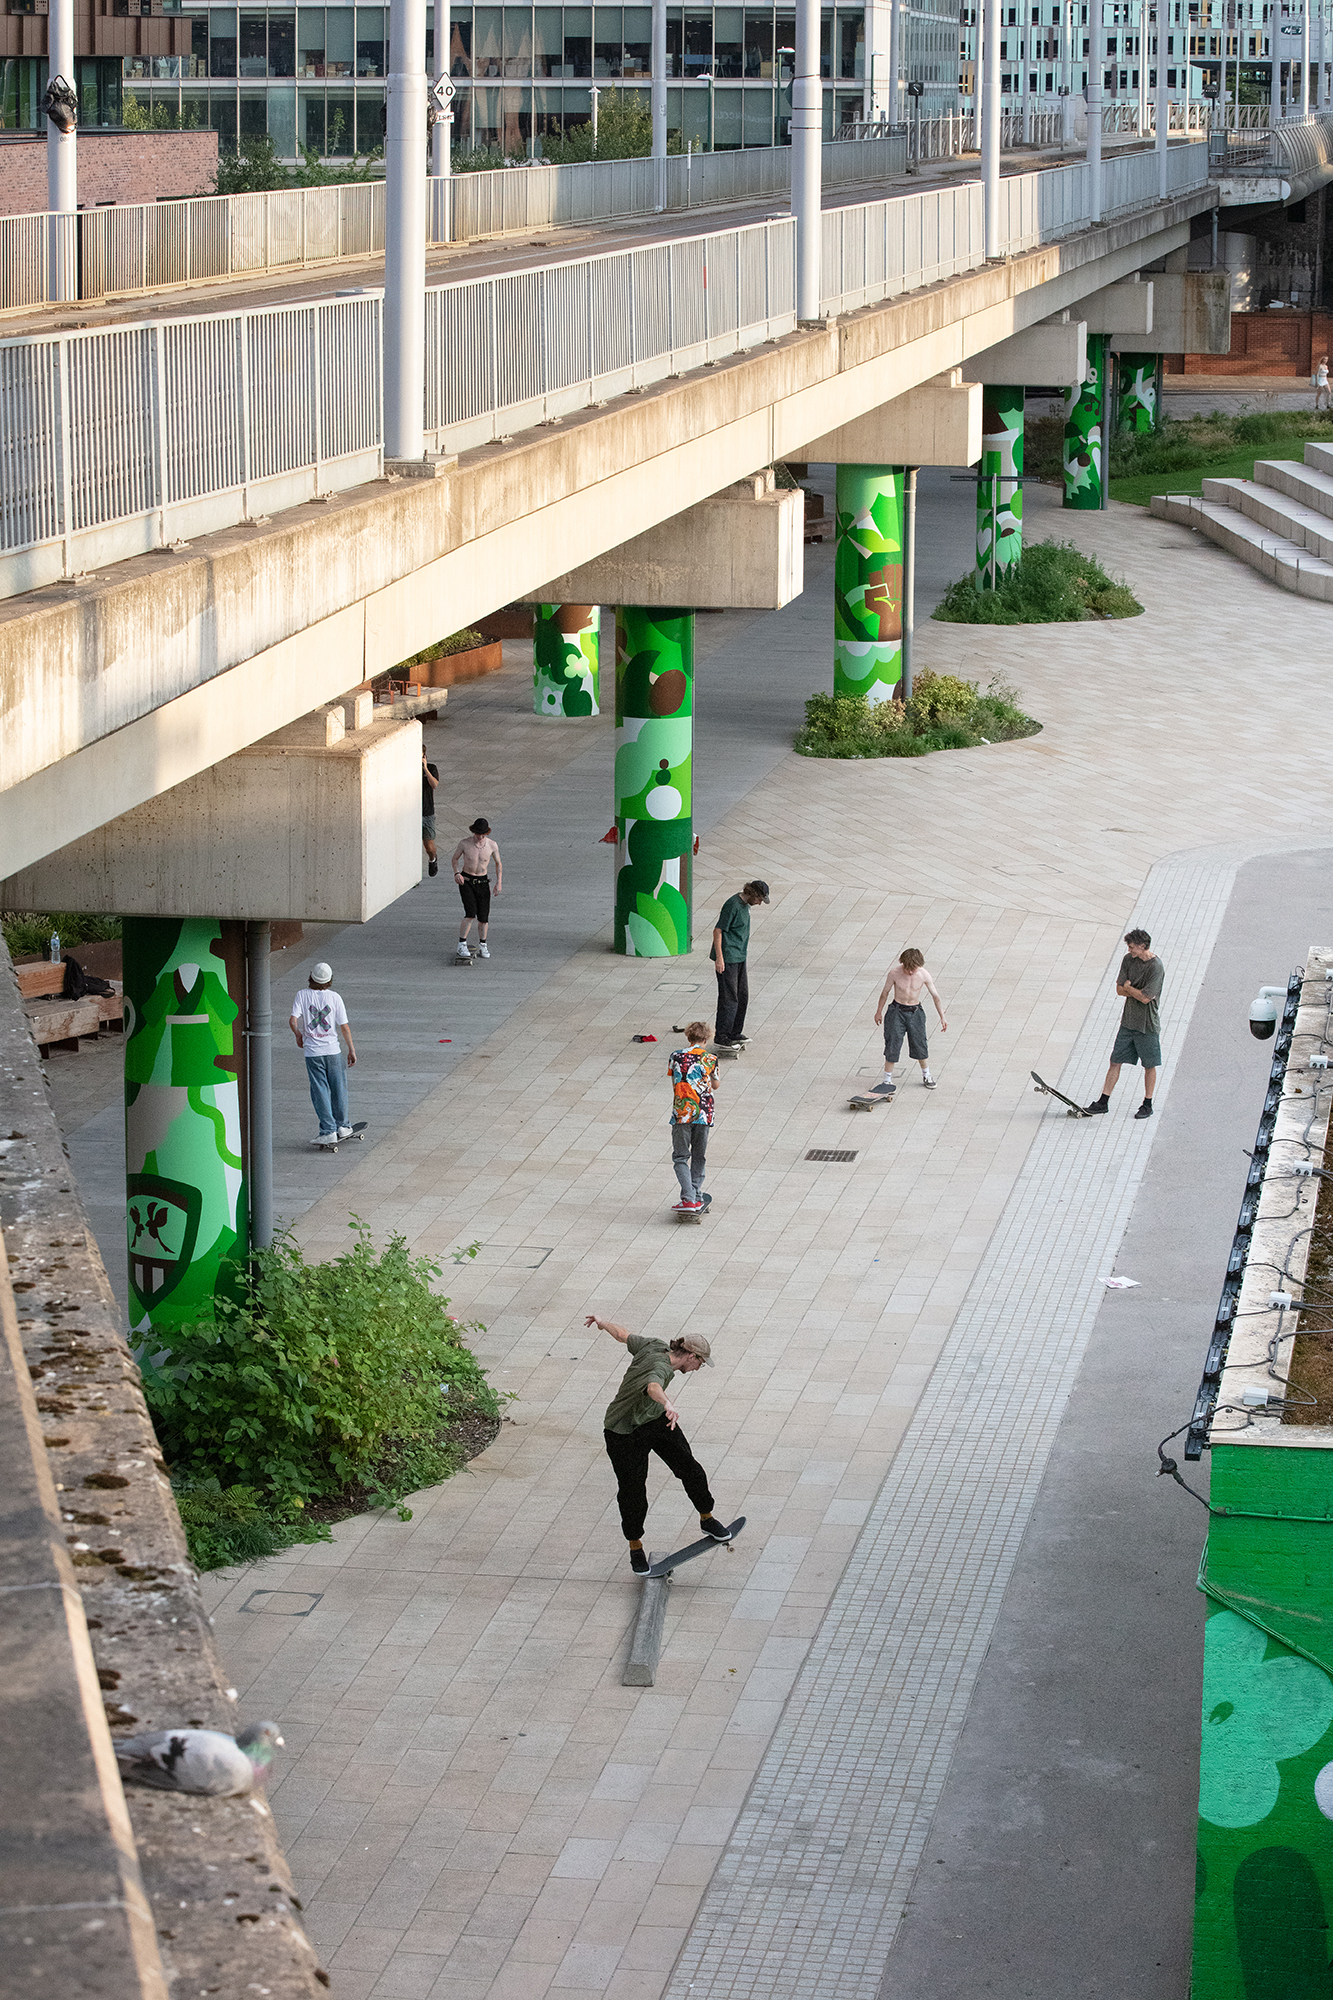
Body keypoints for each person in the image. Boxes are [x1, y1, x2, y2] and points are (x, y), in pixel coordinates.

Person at [587, 1312, 730, 1575]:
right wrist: (667, 1403)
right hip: (623, 1431)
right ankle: (635, 1547)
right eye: (700, 1363)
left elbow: (622, 1335)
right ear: (691, 1356)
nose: (698, 1369)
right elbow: (653, 1385)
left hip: (655, 1421)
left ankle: (707, 1519)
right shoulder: (660, 1368)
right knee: (633, 1492)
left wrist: (601, 1322)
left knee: (690, 1468)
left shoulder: (653, 1344)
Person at [1085, 927, 1164, 1120]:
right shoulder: (1128, 960)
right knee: (1115, 1061)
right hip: (1128, 1022)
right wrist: (1131, 990)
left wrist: (1130, 988)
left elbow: (1146, 998)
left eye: (1132, 946)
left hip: (1147, 1025)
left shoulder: (1156, 967)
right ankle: (1103, 1101)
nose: (1129, 949)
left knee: (1150, 1064)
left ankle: (1147, 1103)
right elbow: (1119, 990)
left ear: (1143, 946)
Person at [289, 962, 357, 1149]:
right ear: (329, 980)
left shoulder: (302, 995)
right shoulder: (335, 997)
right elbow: (344, 1027)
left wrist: (298, 1034)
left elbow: (293, 1020)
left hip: (313, 1053)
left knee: (320, 1091)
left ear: (311, 977)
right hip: (333, 1051)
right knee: (339, 1089)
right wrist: (351, 1049)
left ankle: (328, 1131)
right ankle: (343, 1126)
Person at [871, 947, 948, 1094]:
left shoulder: (923, 974)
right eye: (908, 968)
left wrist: (942, 1017)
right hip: (896, 1011)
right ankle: (887, 1078)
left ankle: (927, 1075)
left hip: (915, 1012)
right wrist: (879, 1011)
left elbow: (935, 996)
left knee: (920, 1043)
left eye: (914, 968)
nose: (911, 972)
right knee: (892, 1042)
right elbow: (884, 993)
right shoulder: (894, 973)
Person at [668, 1021, 720, 1214]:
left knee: (681, 1157)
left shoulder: (675, 1056)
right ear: (706, 1039)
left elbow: (674, 1078)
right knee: (699, 1155)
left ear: (688, 1037)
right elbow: (715, 1085)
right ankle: (695, 1195)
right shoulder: (711, 1058)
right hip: (704, 1114)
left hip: (681, 1114)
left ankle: (688, 1199)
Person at [712, 879, 769, 1047]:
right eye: (759, 899)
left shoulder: (746, 906)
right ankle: (722, 1035)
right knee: (729, 998)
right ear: (752, 894)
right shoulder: (733, 905)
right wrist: (719, 957)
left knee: (742, 996)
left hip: (740, 957)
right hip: (728, 957)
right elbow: (718, 930)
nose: (759, 903)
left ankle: (735, 1032)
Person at [451, 816, 502, 961]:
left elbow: (498, 863)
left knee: (484, 917)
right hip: (467, 880)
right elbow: (455, 859)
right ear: (473, 832)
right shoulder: (465, 844)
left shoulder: (492, 845)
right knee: (470, 913)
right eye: (478, 833)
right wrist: (456, 872)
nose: (480, 837)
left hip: (483, 881)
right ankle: (462, 943)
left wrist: (499, 883)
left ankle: (483, 944)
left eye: (483, 834)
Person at [422, 749, 440, 877]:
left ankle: (433, 859)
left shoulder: (432, 768)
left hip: (427, 813)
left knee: (429, 845)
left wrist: (425, 769)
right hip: (412, 814)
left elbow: (434, 784)